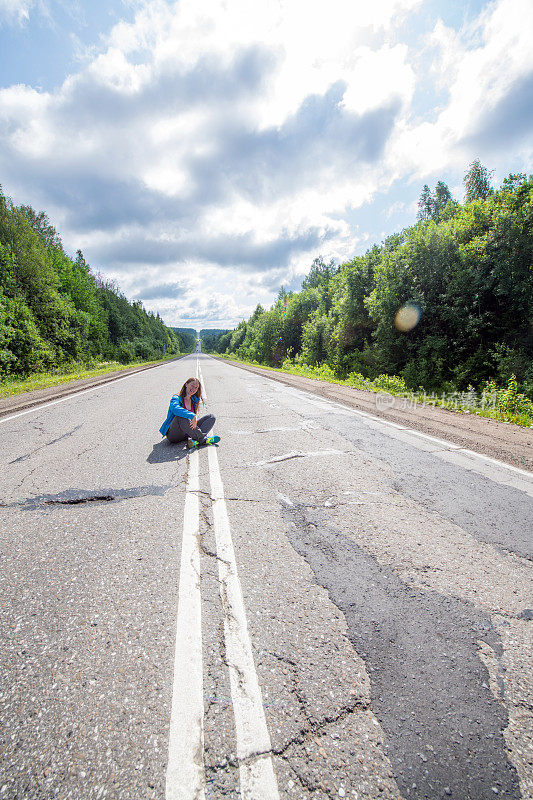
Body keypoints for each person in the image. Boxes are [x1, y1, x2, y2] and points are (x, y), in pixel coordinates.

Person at [160, 377, 220, 447]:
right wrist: (192, 415)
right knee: (180, 416)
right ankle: (203, 439)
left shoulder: (194, 400)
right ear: (186, 384)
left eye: (196, 387)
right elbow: (175, 409)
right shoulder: (176, 398)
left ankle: (195, 441)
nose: (194, 389)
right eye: (192, 385)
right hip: (174, 435)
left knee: (211, 417)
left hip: (187, 433)